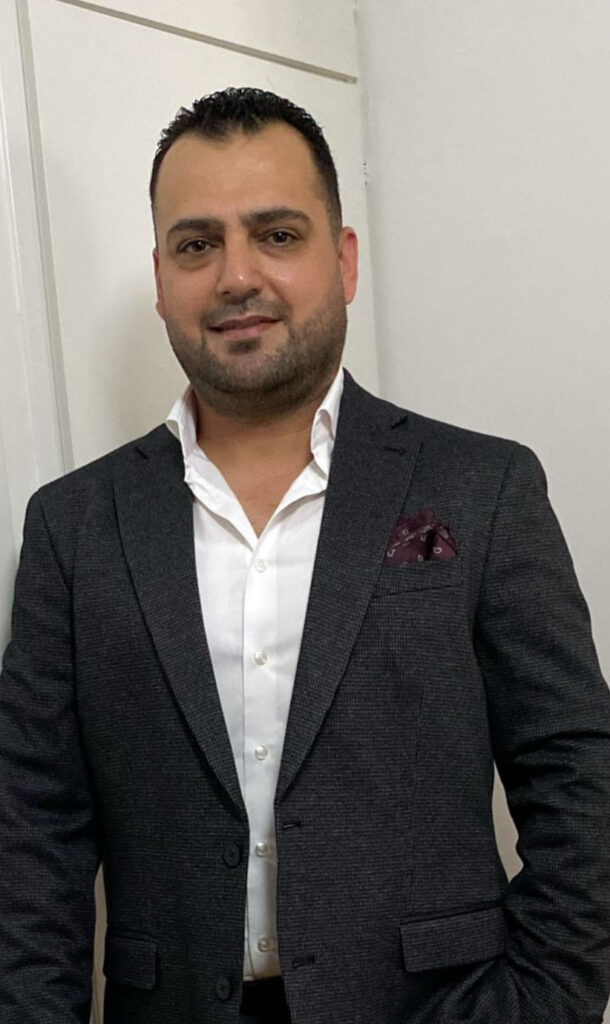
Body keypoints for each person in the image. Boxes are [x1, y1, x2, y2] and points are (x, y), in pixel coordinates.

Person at [0, 86, 609, 1024]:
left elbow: (579, 773)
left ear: (344, 258)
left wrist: (542, 998)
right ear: (160, 277)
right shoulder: (73, 527)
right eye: (197, 245)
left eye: (277, 234)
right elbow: (31, 831)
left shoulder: (482, 488)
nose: (236, 275)